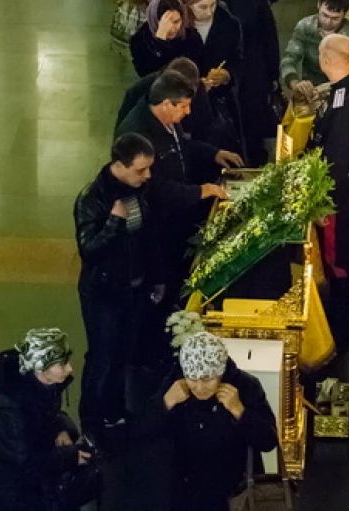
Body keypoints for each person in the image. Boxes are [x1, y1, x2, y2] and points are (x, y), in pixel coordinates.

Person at [114, 72, 242, 297]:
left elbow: (181, 147)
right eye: (183, 107)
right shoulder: (138, 134)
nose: (188, 112)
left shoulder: (166, 121)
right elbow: (154, 188)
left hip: (174, 216)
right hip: (155, 229)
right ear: (166, 104)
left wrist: (214, 153)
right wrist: (200, 191)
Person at [75, 133, 165, 446]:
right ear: (120, 165)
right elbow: (89, 250)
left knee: (122, 356)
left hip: (133, 289)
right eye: (141, 170)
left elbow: (148, 236)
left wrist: (156, 277)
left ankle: (113, 410)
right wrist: (113, 222)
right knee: (102, 358)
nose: (148, 175)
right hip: (103, 294)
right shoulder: (92, 199)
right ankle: (91, 422)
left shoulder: (139, 189)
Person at [149, 332, 278, 511]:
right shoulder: (174, 385)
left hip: (233, 492)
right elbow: (143, 433)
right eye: (193, 379)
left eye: (208, 379)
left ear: (221, 372)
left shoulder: (245, 386)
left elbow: (268, 441)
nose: (200, 388)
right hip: (183, 491)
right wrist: (165, 404)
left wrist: (239, 411)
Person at [306, 34, 349, 352]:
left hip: (339, 195)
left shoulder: (348, 101)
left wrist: (323, 202)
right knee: (341, 254)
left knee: (338, 262)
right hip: (346, 187)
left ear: (328, 59)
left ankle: (339, 331)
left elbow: (338, 157)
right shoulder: (346, 89)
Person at [0, 328, 88, 511]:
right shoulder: (10, 409)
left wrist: (59, 429)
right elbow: (26, 462)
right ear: (41, 367)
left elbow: (45, 418)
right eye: (62, 364)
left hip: (28, 487)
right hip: (11, 496)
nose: (70, 368)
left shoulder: (44, 385)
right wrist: (70, 456)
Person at [211, 0, 280, 166]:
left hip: (253, 67)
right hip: (222, 67)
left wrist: (272, 74)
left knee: (252, 117)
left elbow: (269, 34)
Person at [178, 0, 245, 154]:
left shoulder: (230, 25)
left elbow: (238, 59)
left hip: (220, 102)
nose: (209, 12)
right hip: (187, 102)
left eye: (213, 5)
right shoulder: (180, 28)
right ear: (189, 6)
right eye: (202, 7)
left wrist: (227, 74)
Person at [281, 0, 349, 103]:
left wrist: (328, 91)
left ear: (345, 14)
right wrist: (295, 82)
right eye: (324, 15)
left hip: (342, 95)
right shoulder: (305, 27)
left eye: (335, 18)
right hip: (310, 92)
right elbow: (289, 59)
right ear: (318, 5)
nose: (328, 22)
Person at [116, 57, 215, 145]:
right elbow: (123, 132)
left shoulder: (197, 86)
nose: (188, 111)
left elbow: (205, 125)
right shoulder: (140, 90)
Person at [130, 0, 202, 78]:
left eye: (176, 21)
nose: (172, 28)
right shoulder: (141, 39)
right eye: (165, 23)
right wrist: (159, 40)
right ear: (156, 20)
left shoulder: (191, 37)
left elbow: (199, 67)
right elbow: (146, 73)